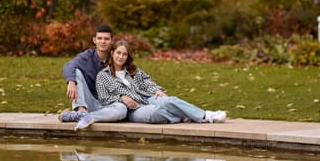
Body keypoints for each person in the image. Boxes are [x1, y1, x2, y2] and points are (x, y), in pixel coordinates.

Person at [96, 39, 227, 124]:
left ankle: (206, 115)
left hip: (147, 97)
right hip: (134, 109)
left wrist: (156, 90)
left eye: (124, 54)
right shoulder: (103, 76)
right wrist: (121, 98)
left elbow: (147, 81)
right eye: (118, 53)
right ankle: (185, 116)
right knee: (154, 113)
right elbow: (104, 99)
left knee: (170, 100)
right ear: (112, 53)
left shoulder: (132, 70)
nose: (121, 57)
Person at [60, 25, 127, 130]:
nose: (103, 41)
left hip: (108, 104)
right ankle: (82, 111)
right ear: (94, 40)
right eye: (100, 38)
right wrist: (71, 82)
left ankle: (81, 116)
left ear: (112, 41)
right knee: (76, 72)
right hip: (88, 101)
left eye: (106, 39)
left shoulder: (117, 57)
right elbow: (68, 66)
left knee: (122, 110)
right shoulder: (87, 56)